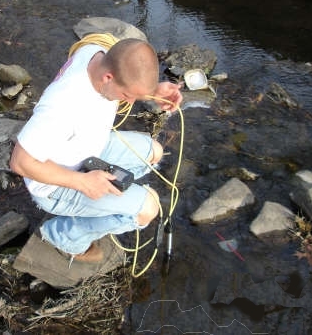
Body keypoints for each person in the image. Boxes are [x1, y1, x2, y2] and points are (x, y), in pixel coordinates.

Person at [9, 36, 182, 264]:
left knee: (154, 152)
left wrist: (152, 90)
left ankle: (109, 202)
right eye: (127, 96)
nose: (130, 103)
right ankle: (65, 237)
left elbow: (127, 62)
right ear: (108, 77)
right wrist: (84, 183)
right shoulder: (62, 106)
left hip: (88, 148)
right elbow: (20, 162)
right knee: (148, 209)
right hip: (53, 185)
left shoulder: (96, 50)